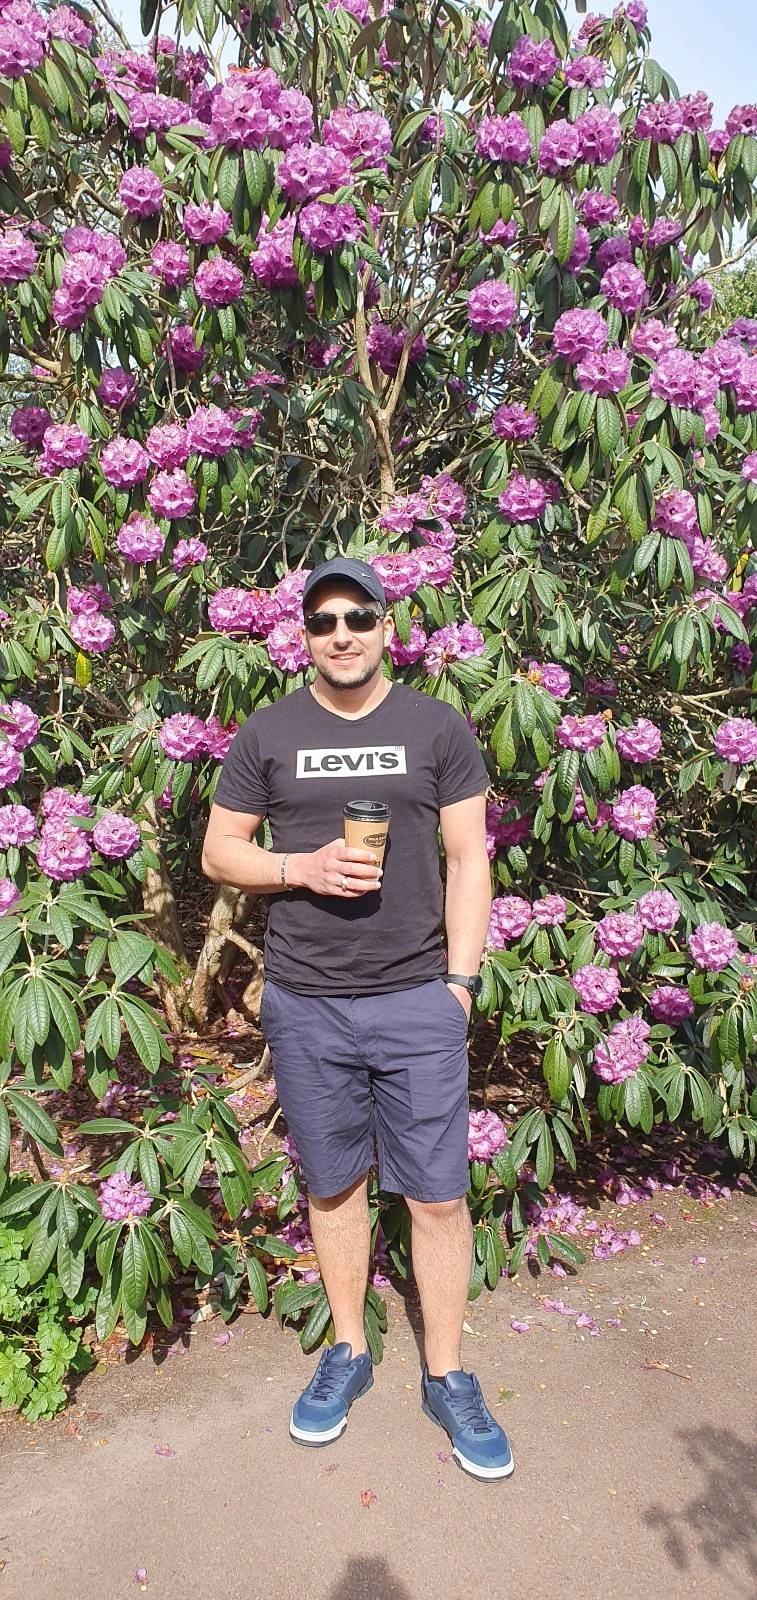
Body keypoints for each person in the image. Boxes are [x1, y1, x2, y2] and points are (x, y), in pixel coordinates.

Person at [201, 556, 513, 1480]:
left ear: (388, 626)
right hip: (306, 1003)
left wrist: (458, 984)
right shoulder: (266, 733)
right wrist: (298, 867)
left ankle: (447, 1373)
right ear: (303, 632)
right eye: (324, 619)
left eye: (359, 616)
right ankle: (347, 1350)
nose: (342, 633)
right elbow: (222, 852)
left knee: (438, 1193)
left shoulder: (436, 727)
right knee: (333, 1185)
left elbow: (468, 859)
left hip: (417, 996)